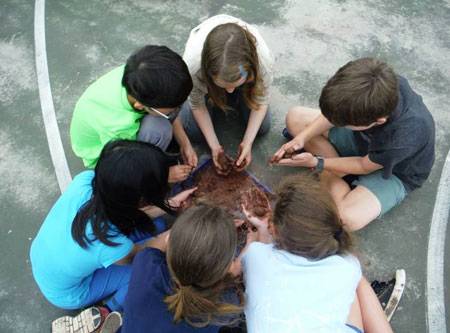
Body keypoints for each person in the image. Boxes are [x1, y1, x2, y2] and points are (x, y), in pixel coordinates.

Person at [30, 140, 196, 319]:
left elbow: (126, 212)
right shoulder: (110, 244)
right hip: (68, 292)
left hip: (48, 261)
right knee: (152, 267)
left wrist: (170, 204)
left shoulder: (86, 181)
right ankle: (108, 311)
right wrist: (185, 226)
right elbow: (139, 255)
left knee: (158, 226)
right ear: (139, 199)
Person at [270, 57, 435, 231]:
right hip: (364, 143)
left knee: (346, 219)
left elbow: (363, 165)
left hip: (394, 170)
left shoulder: (403, 137)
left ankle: (331, 173)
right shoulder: (380, 86)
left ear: (379, 121)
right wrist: (301, 138)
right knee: (295, 118)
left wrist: (317, 162)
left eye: (344, 122)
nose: (338, 123)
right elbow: (333, 115)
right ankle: (338, 174)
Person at [241, 173, 396, 333]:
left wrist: (259, 234)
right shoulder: (345, 265)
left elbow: (261, 257)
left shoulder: (255, 254)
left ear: (274, 230)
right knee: (355, 281)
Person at [70, 45, 197, 183]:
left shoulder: (142, 77)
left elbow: (169, 106)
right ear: (140, 105)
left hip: (118, 125)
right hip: (105, 156)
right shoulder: (118, 126)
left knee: (164, 116)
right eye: (173, 109)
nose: (177, 110)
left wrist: (185, 144)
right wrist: (163, 175)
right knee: (159, 129)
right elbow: (123, 165)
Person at [118, 204, 248, 333]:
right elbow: (234, 275)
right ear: (229, 266)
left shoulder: (145, 262)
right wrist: (252, 242)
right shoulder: (227, 311)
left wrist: (204, 231)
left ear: (168, 241)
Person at [179, 14, 274, 174]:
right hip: (210, 77)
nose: (230, 92)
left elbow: (261, 99)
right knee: (194, 132)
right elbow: (197, 104)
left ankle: (231, 84)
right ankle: (222, 85)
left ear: (250, 69)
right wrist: (215, 147)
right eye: (224, 86)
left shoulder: (263, 61)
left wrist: (247, 142)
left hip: (238, 74)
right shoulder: (193, 67)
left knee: (261, 128)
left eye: (234, 86)